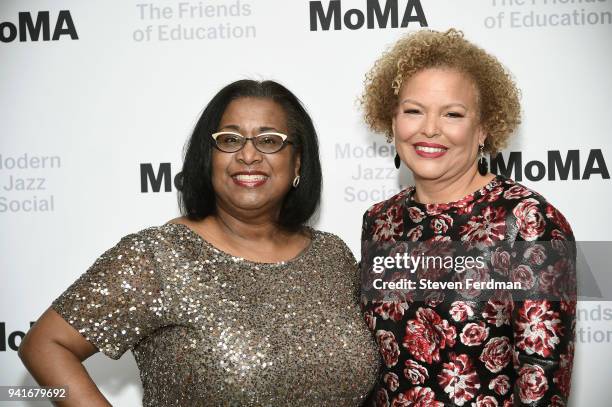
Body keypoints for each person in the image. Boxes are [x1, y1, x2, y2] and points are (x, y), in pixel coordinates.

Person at [19, 80, 380, 406]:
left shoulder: (331, 255)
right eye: (230, 139)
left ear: (297, 161)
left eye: (269, 140)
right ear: (209, 158)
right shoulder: (159, 256)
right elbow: (45, 345)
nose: (248, 155)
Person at [359, 29, 576, 406]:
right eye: (413, 110)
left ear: (483, 129)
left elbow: (543, 382)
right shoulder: (380, 221)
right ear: (392, 121)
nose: (429, 128)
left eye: (453, 114)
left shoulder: (529, 221)